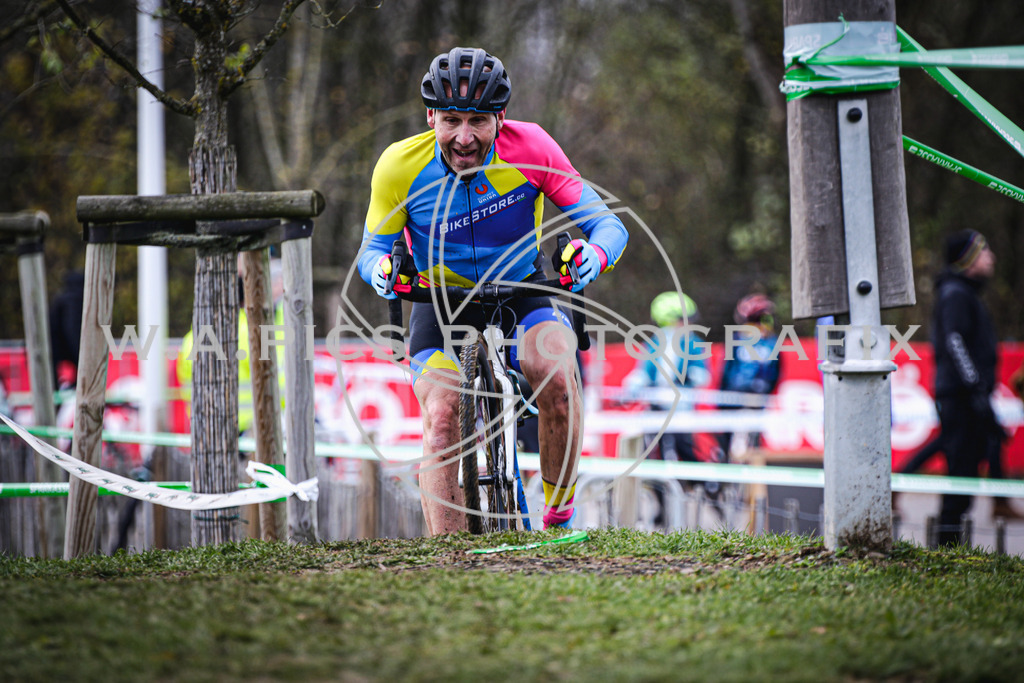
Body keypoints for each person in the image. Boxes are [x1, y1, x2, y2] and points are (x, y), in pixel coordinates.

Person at [358, 47, 628, 534]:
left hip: (519, 288)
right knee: (443, 417)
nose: (465, 137)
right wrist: (382, 271)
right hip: (437, 301)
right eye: (452, 121)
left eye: (479, 122)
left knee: (558, 380)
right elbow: (370, 250)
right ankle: (450, 558)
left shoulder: (534, 149)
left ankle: (558, 517)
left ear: (500, 118)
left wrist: (594, 255)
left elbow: (608, 226)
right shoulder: (399, 166)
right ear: (431, 116)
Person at [930, 230, 1015, 544]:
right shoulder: (956, 294)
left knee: (970, 466)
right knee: (960, 476)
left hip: (966, 395)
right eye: (984, 251)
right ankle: (945, 551)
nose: (991, 256)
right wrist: (976, 389)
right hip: (961, 398)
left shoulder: (962, 293)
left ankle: (952, 545)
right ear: (967, 259)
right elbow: (955, 342)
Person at [717, 293, 781, 459]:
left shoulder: (739, 338)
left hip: (738, 396)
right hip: (751, 396)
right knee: (743, 441)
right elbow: (775, 373)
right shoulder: (772, 341)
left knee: (737, 441)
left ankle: (734, 474)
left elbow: (727, 370)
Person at [49, 270, 85, 389]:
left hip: (51, 349)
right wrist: (80, 356)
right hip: (57, 347)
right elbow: (72, 330)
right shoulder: (75, 299)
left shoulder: (62, 298)